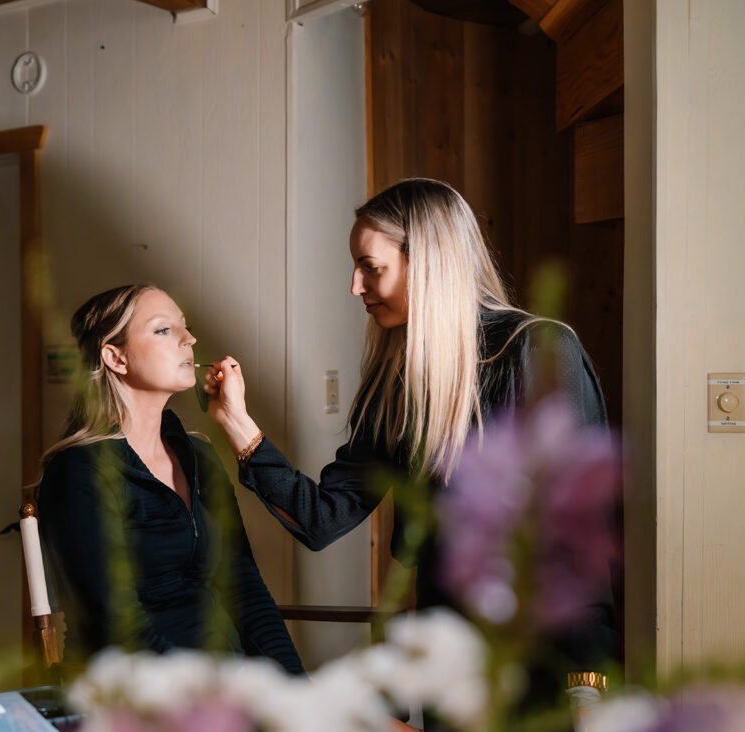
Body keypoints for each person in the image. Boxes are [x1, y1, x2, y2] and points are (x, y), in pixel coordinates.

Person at [204, 178, 616, 713]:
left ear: (429, 261)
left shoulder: (536, 350)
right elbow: (322, 519)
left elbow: (577, 537)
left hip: (542, 663)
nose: (355, 286)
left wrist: (588, 687)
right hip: (449, 670)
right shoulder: (396, 382)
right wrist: (238, 425)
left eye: (370, 266)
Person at [37, 285, 303, 676]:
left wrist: (296, 687)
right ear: (116, 357)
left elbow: (244, 587)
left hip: (228, 683)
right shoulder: (79, 469)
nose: (189, 339)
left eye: (186, 327)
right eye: (164, 330)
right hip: (140, 694)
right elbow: (116, 627)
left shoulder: (199, 456)